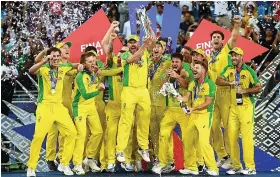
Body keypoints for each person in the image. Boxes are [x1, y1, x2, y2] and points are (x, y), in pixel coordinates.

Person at [27, 47, 77, 177]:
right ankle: (31, 167)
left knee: (72, 133)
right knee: (38, 137)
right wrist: (44, 60)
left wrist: (81, 65)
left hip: (59, 107)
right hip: (45, 107)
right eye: (53, 56)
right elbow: (31, 70)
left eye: (57, 56)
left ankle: (64, 164)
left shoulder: (63, 68)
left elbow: (72, 65)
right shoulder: (43, 69)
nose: (55, 58)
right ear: (49, 58)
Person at [216, 47, 261, 175]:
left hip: (246, 107)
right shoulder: (229, 68)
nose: (233, 58)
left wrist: (245, 91)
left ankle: (251, 167)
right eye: (232, 56)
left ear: (242, 57)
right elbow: (217, 80)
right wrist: (229, 83)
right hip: (233, 108)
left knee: (247, 139)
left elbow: (258, 87)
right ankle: (236, 166)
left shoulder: (249, 71)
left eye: (236, 56)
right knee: (231, 137)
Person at [115, 32, 155, 163]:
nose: (132, 44)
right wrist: (144, 45)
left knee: (144, 119)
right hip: (129, 91)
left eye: (134, 42)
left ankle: (143, 148)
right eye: (130, 42)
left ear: (138, 43)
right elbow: (133, 59)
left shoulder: (146, 54)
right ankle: (120, 149)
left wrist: (149, 27)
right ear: (127, 44)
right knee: (126, 120)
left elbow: (153, 42)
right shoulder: (125, 54)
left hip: (143, 91)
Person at [208, 16, 241, 168]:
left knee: (228, 128)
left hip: (226, 92)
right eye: (213, 37)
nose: (215, 39)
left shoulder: (227, 50)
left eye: (218, 37)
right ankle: (222, 155)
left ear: (222, 41)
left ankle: (233, 160)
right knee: (214, 127)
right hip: (213, 94)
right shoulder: (208, 58)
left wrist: (238, 24)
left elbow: (234, 36)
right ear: (211, 41)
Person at [177, 59, 219, 176]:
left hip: (205, 115)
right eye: (194, 68)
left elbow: (207, 103)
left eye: (197, 68)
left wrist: (193, 109)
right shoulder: (192, 83)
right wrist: (178, 96)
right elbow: (186, 99)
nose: (194, 69)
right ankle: (191, 167)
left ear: (204, 71)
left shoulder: (210, 84)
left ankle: (213, 168)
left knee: (203, 142)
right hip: (193, 115)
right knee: (187, 140)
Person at [151, 53, 189, 174]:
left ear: (181, 62)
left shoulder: (185, 72)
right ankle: (164, 163)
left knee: (187, 138)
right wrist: (168, 77)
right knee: (163, 134)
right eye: (173, 61)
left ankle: (191, 165)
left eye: (177, 62)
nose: (174, 64)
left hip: (183, 110)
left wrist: (177, 76)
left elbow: (186, 85)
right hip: (170, 110)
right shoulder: (169, 73)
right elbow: (161, 87)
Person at [72, 52, 105, 175]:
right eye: (89, 62)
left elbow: (93, 83)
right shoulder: (80, 76)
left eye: (93, 61)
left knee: (98, 132)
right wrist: (98, 90)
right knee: (81, 135)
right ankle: (77, 164)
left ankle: (89, 158)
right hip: (80, 107)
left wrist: (97, 76)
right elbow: (85, 95)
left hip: (91, 107)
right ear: (84, 64)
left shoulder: (92, 74)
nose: (92, 63)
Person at [148, 40, 172, 165]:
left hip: (163, 103)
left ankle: (169, 159)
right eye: (155, 47)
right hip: (150, 103)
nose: (156, 49)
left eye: (159, 47)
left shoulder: (168, 63)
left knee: (165, 133)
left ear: (163, 50)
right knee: (153, 133)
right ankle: (158, 158)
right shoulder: (149, 64)